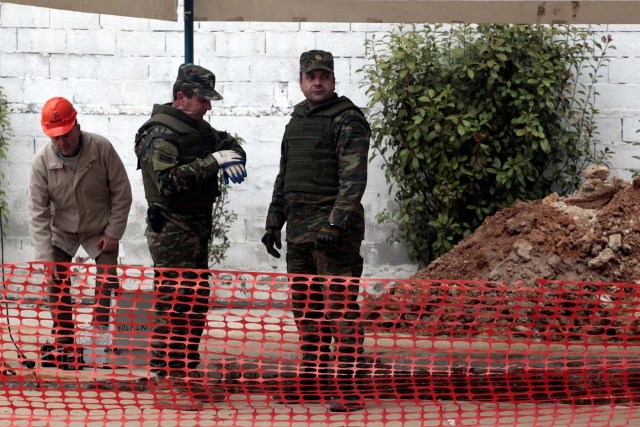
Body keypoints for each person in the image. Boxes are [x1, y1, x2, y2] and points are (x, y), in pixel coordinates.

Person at [262, 50, 371, 412]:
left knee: (340, 310)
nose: (317, 82)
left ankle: (349, 387)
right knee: (306, 310)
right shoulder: (296, 120)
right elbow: (285, 174)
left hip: (332, 234)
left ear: (334, 80)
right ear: (301, 81)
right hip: (299, 233)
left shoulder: (348, 119)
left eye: (324, 76)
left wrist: (335, 223)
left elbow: (353, 179)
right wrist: (273, 221)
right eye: (311, 77)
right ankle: (311, 382)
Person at [134, 63, 246, 384]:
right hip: (171, 229)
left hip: (197, 228)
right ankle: (164, 373)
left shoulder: (198, 129)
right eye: (203, 99)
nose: (209, 106)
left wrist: (232, 155)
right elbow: (168, 183)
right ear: (181, 97)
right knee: (173, 303)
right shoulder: (160, 133)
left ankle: (185, 367)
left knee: (195, 301)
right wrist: (215, 161)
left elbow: (230, 143)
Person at [29, 96, 132, 370]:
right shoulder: (41, 163)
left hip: (99, 227)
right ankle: (64, 338)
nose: (61, 141)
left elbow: (122, 193)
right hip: (62, 229)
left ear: (77, 126)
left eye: (65, 133)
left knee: (106, 279)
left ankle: (98, 337)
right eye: (55, 136)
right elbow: (38, 213)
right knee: (55, 280)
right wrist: (45, 257)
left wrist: (113, 233)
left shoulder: (101, 148)